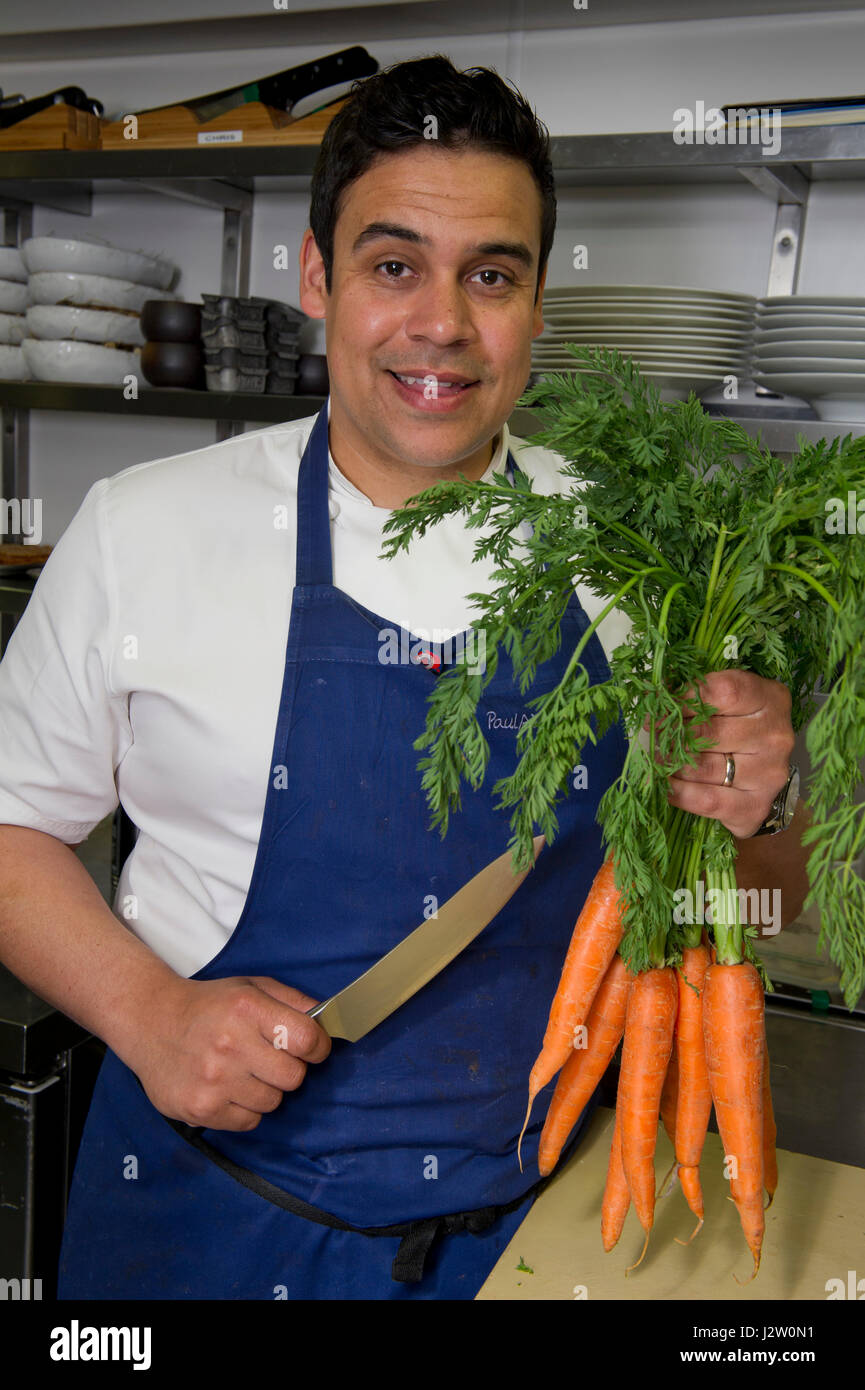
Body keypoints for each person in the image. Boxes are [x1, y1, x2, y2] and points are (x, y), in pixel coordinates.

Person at [0, 55, 810, 1301]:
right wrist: (146, 1013)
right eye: (393, 265)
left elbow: (743, 888)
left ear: (538, 301)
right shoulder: (143, 530)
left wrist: (763, 800)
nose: (442, 322)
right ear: (317, 279)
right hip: (207, 1228)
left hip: (541, 1229)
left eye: (492, 273)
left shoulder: (640, 551)